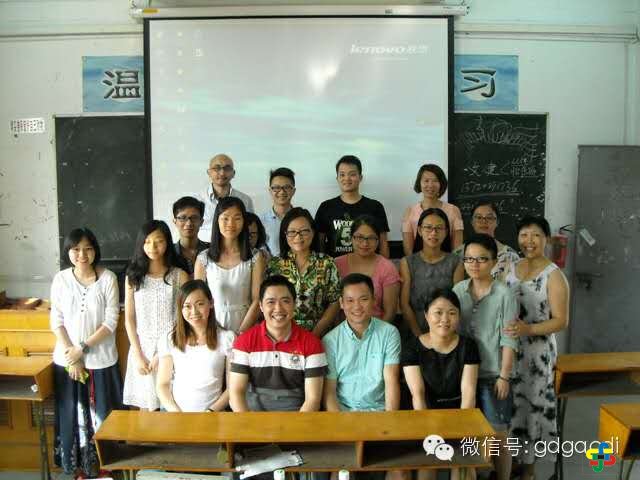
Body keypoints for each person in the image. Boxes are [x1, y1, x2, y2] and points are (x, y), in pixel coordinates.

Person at [50, 228, 124, 479]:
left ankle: (104, 469)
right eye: (76, 249)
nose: (82, 254)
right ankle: (79, 469)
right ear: (68, 252)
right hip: (67, 362)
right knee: (73, 414)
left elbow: (111, 321)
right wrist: (72, 356)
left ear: (95, 250)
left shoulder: (108, 278)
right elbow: (56, 320)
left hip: (101, 361)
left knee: (102, 416)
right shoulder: (61, 279)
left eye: (88, 248)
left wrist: (81, 349)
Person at [502, 216, 570, 480]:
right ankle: (510, 464)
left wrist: (528, 330)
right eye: (524, 235)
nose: (528, 241)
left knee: (532, 408)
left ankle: (529, 469)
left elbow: (561, 321)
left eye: (535, 235)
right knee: (510, 408)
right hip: (509, 350)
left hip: (536, 354)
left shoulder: (554, 275)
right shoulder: (510, 267)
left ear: (546, 239)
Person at [453, 234, 519, 480]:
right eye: (469, 259)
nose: (474, 264)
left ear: (493, 262)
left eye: (481, 259)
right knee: (471, 433)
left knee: (498, 434)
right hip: (465, 375)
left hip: (494, 374)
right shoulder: (458, 290)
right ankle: (480, 474)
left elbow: (509, 339)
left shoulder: (504, 294)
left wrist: (504, 376)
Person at [402, 288, 479, 480]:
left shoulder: (468, 346)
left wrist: (461, 433)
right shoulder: (412, 348)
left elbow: (469, 393)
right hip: (425, 415)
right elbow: (418, 395)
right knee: (428, 466)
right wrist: (429, 435)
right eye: (438, 312)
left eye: (452, 313)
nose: (445, 319)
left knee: (465, 469)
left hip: (460, 415)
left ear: (459, 316)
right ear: (426, 315)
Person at [229, 275, 327, 412]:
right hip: (252, 417)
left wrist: (297, 425)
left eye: (285, 301)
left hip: (296, 418)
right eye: (271, 302)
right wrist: (249, 423)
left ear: (294, 304)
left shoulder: (312, 344)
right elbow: (236, 394)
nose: (278, 308)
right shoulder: (244, 342)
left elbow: (313, 400)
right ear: (261, 306)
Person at [123, 220, 189, 410]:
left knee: (172, 406)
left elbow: (183, 318)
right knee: (146, 410)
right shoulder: (133, 276)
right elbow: (129, 318)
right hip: (142, 348)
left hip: (172, 346)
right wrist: (138, 354)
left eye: (158, 241)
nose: (153, 247)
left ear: (167, 242)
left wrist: (162, 353)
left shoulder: (179, 276)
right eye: (147, 241)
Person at [323, 273, 401, 412]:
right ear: (341, 303)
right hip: (343, 414)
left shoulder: (389, 333)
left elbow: (392, 382)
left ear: (374, 300)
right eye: (350, 300)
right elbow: (329, 392)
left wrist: (390, 421)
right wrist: (338, 423)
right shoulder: (330, 340)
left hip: (380, 413)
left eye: (363, 299)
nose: (357, 306)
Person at [156, 280, 235, 412]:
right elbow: (162, 385)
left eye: (200, 304)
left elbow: (232, 388)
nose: (194, 312)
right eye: (187, 306)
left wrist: (210, 412)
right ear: (180, 309)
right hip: (176, 413)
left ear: (211, 303)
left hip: (213, 414)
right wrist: (176, 413)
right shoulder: (169, 339)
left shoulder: (227, 338)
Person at [194, 196, 265, 334]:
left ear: (244, 222)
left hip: (247, 328)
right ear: (217, 221)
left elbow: (257, 300)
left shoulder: (255, 257)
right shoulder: (204, 259)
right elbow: (199, 301)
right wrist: (220, 335)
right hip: (213, 330)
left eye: (237, 218)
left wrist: (240, 335)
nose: (231, 224)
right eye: (225, 218)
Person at [266, 207, 340, 337]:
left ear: (313, 232)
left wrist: (314, 335)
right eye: (292, 232)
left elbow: (335, 302)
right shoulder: (275, 265)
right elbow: (268, 302)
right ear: (285, 234)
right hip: (282, 334)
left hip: (318, 335)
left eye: (304, 231)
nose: (298, 237)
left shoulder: (327, 263)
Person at [399, 208, 464, 339]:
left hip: (446, 331)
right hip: (414, 331)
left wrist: (444, 335)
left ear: (446, 232)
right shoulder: (407, 262)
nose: (433, 233)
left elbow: (458, 302)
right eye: (428, 227)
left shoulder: (456, 262)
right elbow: (404, 304)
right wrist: (419, 336)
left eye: (439, 228)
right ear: (419, 230)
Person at [315, 155, 390, 258]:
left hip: (368, 265)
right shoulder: (326, 207)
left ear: (360, 177)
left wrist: (384, 266)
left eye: (352, 174)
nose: (347, 178)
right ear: (337, 178)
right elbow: (319, 243)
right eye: (342, 175)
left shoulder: (375, 207)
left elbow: (383, 243)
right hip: (334, 266)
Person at [334, 215, 400, 322]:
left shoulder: (387, 268)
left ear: (378, 241)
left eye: (371, 238)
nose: (365, 243)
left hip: (377, 328)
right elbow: (332, 308)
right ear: (351, 238)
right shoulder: (336, 264)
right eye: (359, 237)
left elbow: (390, 312)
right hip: (342, 329)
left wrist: (377, 332)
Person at [402, 164, 463, 255]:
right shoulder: (409, 211)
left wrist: (453, 262)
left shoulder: (454, 210)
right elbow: (408, 248)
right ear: (419, 183)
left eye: (435, 181)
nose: (430, 185)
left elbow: (458, 247)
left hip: (447, 260)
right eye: (426, 181)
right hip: (417, 261)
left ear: (441, 184)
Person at [453, 201, 520, 279]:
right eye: (479, 217)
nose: (484, 221)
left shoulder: (510, 255)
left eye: (489, 218)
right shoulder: (458, 254)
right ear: (472, 222)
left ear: (497, 222)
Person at [199, 153, 254, 242]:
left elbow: (250, 228)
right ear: (209, 172)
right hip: (203, 247)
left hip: (236, 248)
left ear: (233, 173)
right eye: (217, 168)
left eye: (227, 168)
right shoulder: (197, 200)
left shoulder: (245, 200)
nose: (222, 173)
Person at [258, 167, 296, 256]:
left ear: (293, 191)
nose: (282, 192)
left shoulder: (302, 220)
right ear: (270, 191)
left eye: (286, 187)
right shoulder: (260, 222)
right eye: (276, 187)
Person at [172, 196, 210, 276]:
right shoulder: (168, 253)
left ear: (201, 222)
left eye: (194, 218)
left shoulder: (212, 251)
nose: (189, 223)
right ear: (175, 221)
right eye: (183, 218)